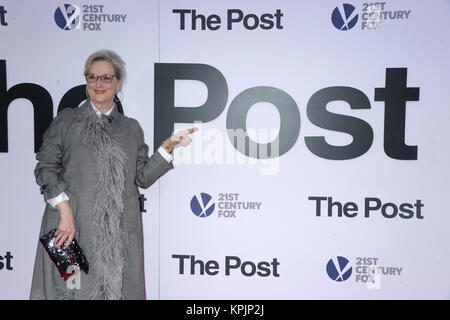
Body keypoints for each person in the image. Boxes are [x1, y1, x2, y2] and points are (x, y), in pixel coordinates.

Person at [29, 49, 196, 300]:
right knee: (72, 294)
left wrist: (168, 146)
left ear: (117, 82)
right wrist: (64, 211)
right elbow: (45, 167)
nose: (99, 84)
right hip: (71, 230)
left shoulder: (130, 128)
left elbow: (142, 178)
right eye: (92, 77)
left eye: (106, 78)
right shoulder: (66, 122)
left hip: (118, 236)